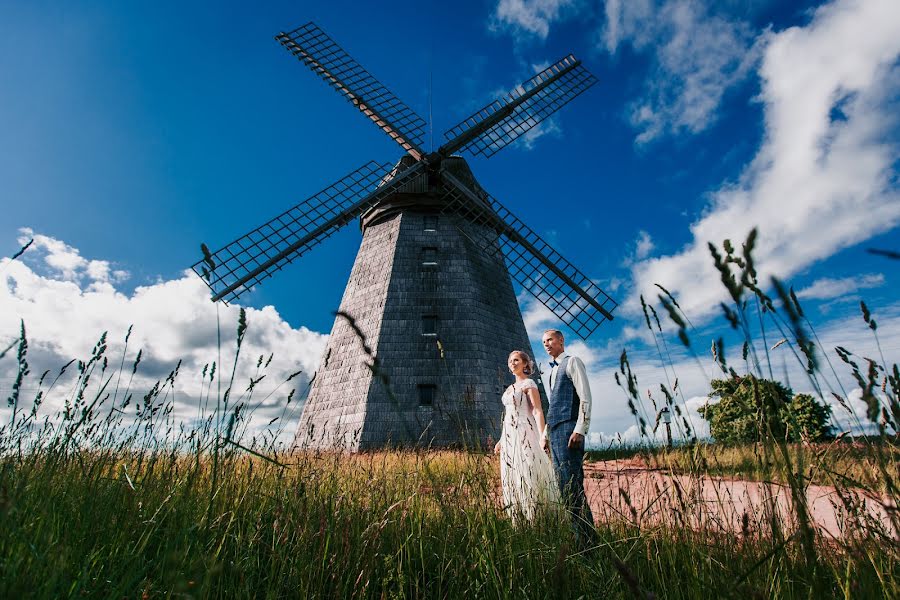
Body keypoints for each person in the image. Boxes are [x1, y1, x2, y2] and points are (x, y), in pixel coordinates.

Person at [540, 329, 595, 543]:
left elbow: (585, 396)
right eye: (544, 341)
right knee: (563, 486)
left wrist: (581, 428)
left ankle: (587, 541)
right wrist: (545, 434)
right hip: (555, 430)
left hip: (569, 429)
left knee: (572, 484)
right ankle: (578, 535)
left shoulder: (573, 362)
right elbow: (554, 405)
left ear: (561, 341)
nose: (547, 344)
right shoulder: (552, 371)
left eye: (550, 340)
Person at [494, 350, 561, 522]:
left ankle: (536, 515)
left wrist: (542, 436)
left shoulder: (529, 383)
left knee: (529, 468)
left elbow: (537, 410)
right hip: (510, 434)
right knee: (513, 471)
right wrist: (501, 439)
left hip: (525, 429)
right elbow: (508, 416)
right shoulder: (509, 388)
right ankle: (519, 516)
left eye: (516, 360)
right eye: (510, 360)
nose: (512, 363)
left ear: (525, 364)